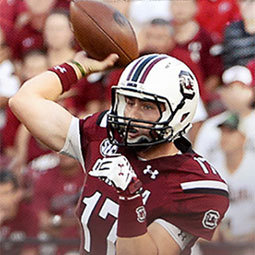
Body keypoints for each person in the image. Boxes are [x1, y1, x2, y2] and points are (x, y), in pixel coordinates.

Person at [9, 52, 229, 255]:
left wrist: (130, 197)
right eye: (129, 102)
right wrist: (78, 67)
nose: (131, 115)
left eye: (147, 107)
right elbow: (24, 101)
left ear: (179, 114)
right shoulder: (106, 136)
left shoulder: (197, 183)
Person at [0, 169, 38, 255]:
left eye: (5, 193)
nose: (1, 199)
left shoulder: (29, 215)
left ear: (18, 194)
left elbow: (30, 252)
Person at [222, 0, 255, 69]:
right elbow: (228, 62)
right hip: (238, 75)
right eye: (243, 1)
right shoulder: (231, 30)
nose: (247, 6)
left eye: (251, 1)